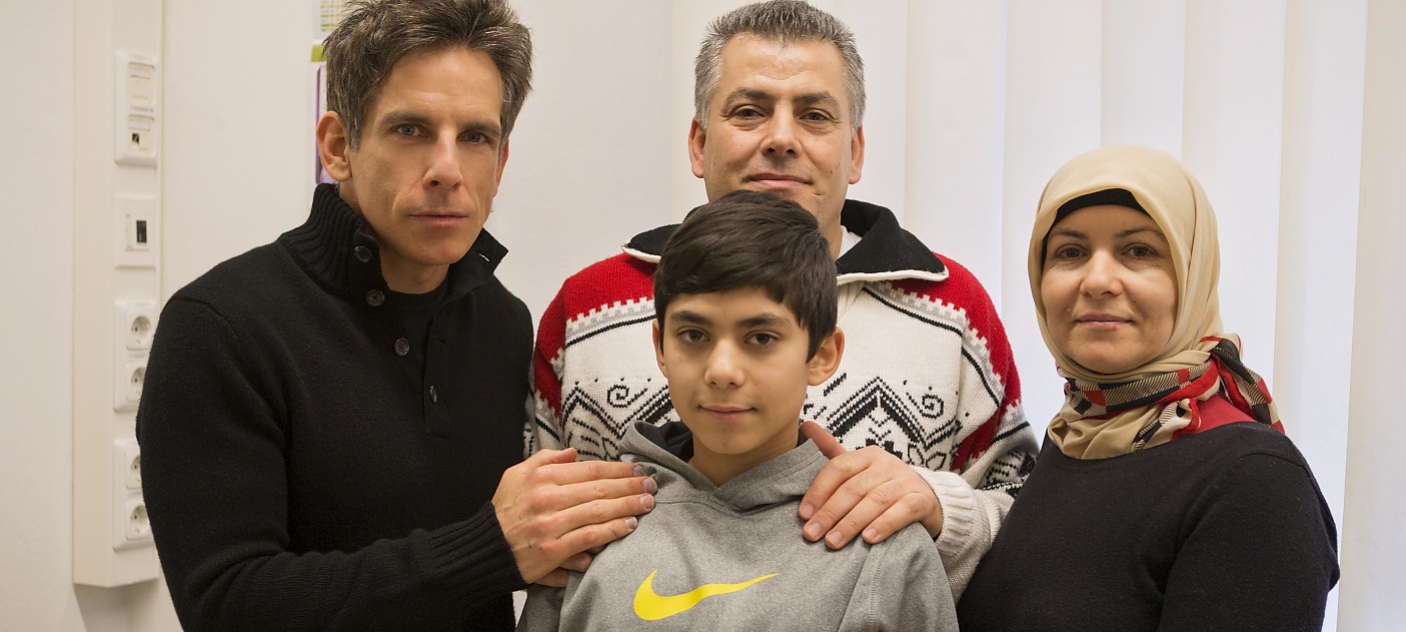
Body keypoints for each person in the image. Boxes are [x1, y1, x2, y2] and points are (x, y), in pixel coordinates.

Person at [136, 1, 655, 630]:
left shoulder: (503, 324)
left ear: (502, 160)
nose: (446, 170)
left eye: (475, 137)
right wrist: (489, 549)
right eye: (410, 130)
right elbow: (227, 605)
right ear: (337, 147)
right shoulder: (221, 326)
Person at [528, 0, 1035, 599]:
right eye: (749, 111)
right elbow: (537, 533)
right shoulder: (587, 306)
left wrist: (939, 508)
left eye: (815, 115)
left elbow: (1032, 528)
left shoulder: (955, 311)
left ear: (857, 150)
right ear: (698, 142)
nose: (781, 139)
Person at [517, 191, 959, 631]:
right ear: (661, 347)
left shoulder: (886, 551)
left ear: (822, 353)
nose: (722, 371)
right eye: (694, 335)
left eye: (761, 338)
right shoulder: (590, 531)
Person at [955, 145, 1340, 630]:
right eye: (1070, 252)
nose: (1097, 280)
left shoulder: (1253, 480)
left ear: (1191, 274)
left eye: (1139, 251)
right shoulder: (1072, 439)